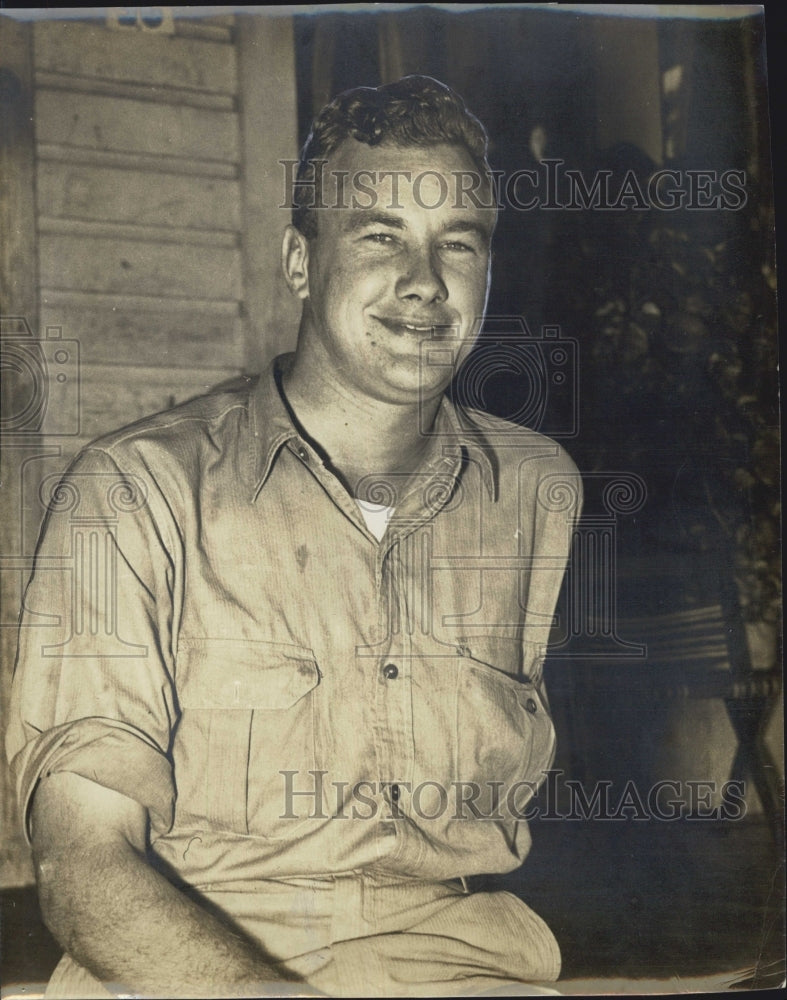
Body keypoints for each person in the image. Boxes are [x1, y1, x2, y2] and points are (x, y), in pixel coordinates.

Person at [7, 75, 582, 998]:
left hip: (459, 966)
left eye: (457, 245)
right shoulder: (134, 493)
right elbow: (82, 868)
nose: (424, 283)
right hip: (180, 973)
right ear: (300, 262)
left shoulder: (536, 490)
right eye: (379, 237)